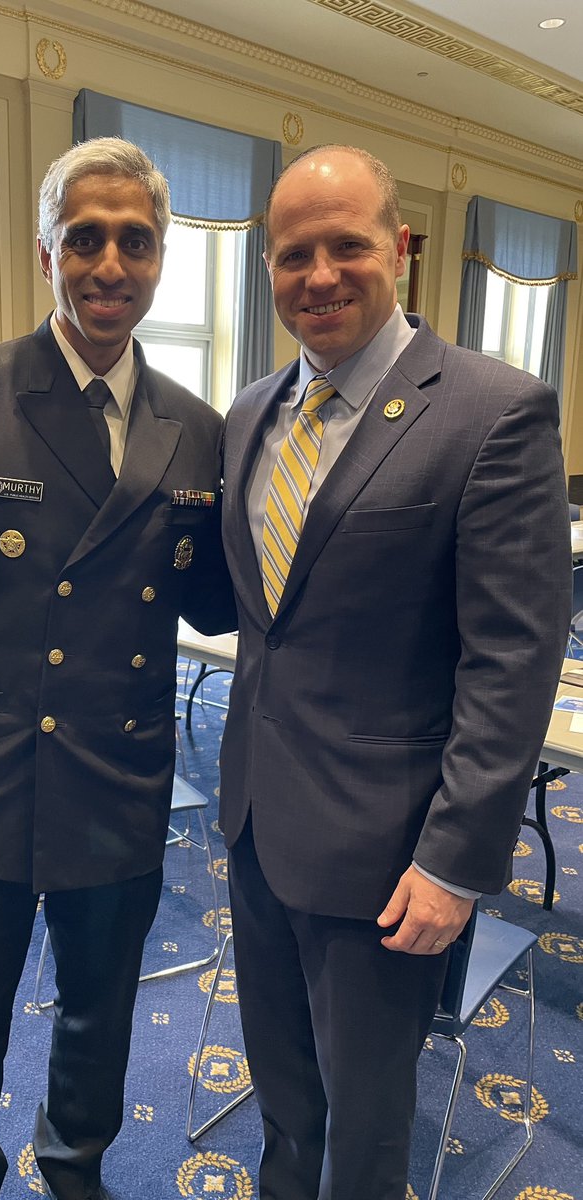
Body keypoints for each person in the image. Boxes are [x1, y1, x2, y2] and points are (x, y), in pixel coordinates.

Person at [0, 136, 234, 1200]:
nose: (109, 264)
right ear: (47, 254)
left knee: (99, 1025)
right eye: (86, 239)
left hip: (118, 785)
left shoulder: (198, 430)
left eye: (135, 241)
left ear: (162, 257)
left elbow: (216, 596)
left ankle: (76, 1172)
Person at [218, 144, 570, 1200]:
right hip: (254, 825)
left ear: (401, 249)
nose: (318, 274)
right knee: (282, 1097)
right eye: (292, 255)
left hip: (390, 853)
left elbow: (513, 659)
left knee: (367, 1127)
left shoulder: (495, 410)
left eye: (347, 246)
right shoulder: (247, 416)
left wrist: (458, 864)